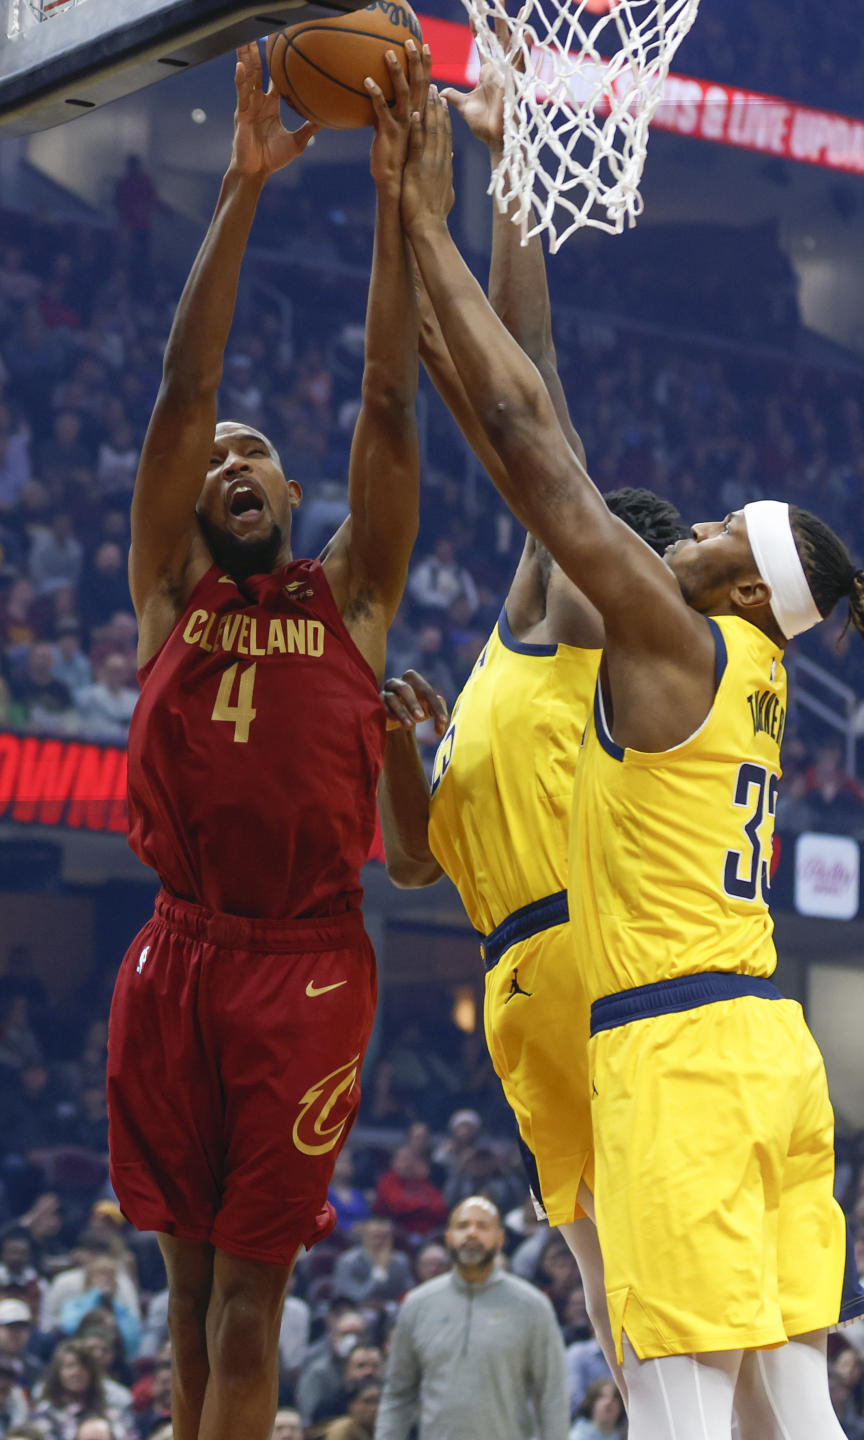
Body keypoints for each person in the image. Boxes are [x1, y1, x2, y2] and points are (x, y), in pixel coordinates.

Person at [398, 90, 864, 1440]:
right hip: (761, 1047)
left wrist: (422, 211)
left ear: (741, 585)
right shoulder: (752, 670)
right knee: (791, 1411)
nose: (682, 530)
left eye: (709, 533)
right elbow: (542, 422)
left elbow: (532, 433)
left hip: (676, 1051)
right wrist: (516, 177)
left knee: (676, 1405)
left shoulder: (674, 644)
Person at [105, 41, 428, 1440]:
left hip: (301, 973)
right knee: (181, 1305)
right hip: (176, 953)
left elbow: (392, 403)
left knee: (250, 1308)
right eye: (215, 460)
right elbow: (183, 391)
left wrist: (391, 200)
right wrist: (240, 187)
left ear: (292, 493)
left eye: (254, 457)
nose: (228, 462)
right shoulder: (166, 592)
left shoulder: (353, 598)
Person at [377, 57, 685, 1404]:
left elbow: (529, 396)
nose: (572, 540)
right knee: (609, 1295)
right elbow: (405, 863)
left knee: (660, 1277)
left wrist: (513, 187)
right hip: (513, 987)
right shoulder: (501, 672)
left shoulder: (585, 637)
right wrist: (405, 755)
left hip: (594, 951)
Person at [374, 1196, 568, 1440]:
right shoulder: (417, 1304)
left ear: (500, 1239)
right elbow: (398, 1394)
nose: (472, 1233)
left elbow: (553, 1395)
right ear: (448, 1238)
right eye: (463, 1226)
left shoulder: (533, 1305)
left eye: (482, 1226)